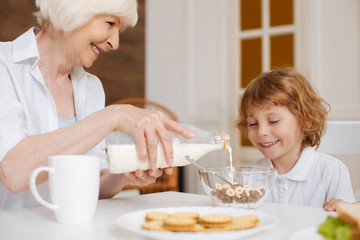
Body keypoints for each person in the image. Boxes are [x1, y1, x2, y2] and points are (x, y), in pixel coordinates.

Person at [0, 0, 194, 210]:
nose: (115, 43)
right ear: (73, 8)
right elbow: (13, 172)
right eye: (110, 23)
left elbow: (95, 186)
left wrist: (125, 173)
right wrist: (112, 116)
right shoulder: (5, 66)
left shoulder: (91, 88)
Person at [236, 67, 355, 211]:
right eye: (253, 124)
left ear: (305, 121)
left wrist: (343, 210)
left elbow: (349, 221)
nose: (261, 132)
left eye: (273, 121)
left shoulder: (331, 171)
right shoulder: (248, 177)